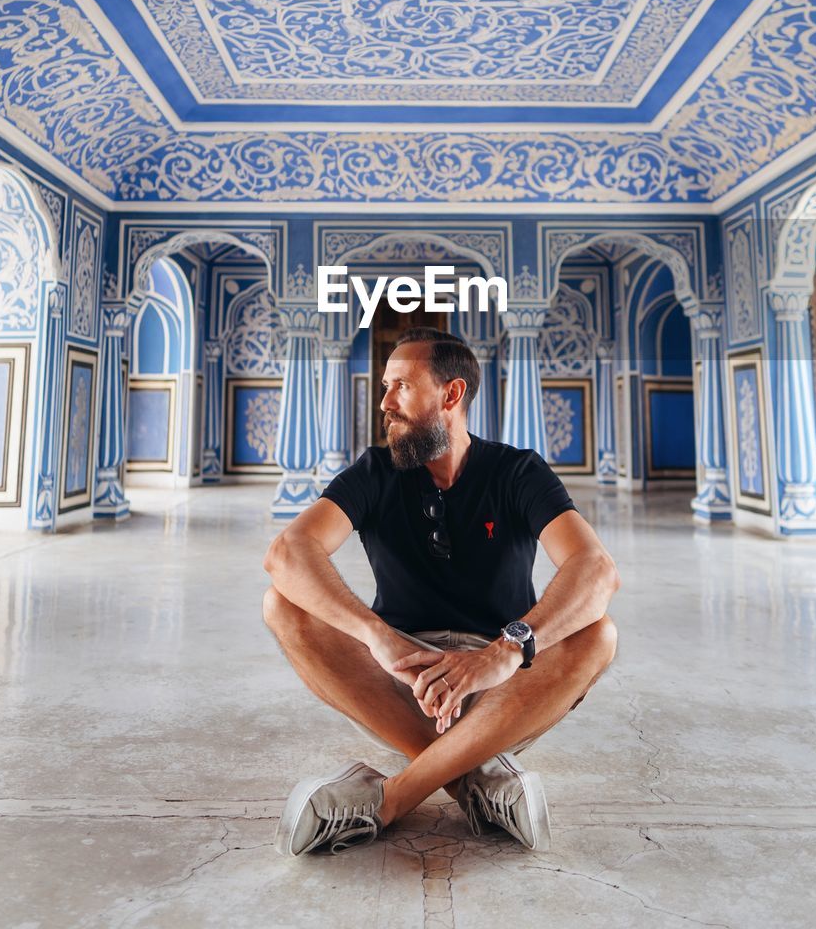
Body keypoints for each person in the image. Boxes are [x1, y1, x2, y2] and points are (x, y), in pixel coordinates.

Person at [263, 327, 620, 858]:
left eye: (401, 387)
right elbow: (288, 553)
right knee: (282, 605)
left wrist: (504, 652)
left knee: (598, 635)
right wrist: (376, 636)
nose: (384, 403)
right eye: (385, 387)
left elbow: (596, 569)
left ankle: (391, 798)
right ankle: (476, 778)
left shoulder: (517, 471)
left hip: (504, 693)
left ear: (451, 395)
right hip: (404, 687)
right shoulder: (375, 471)